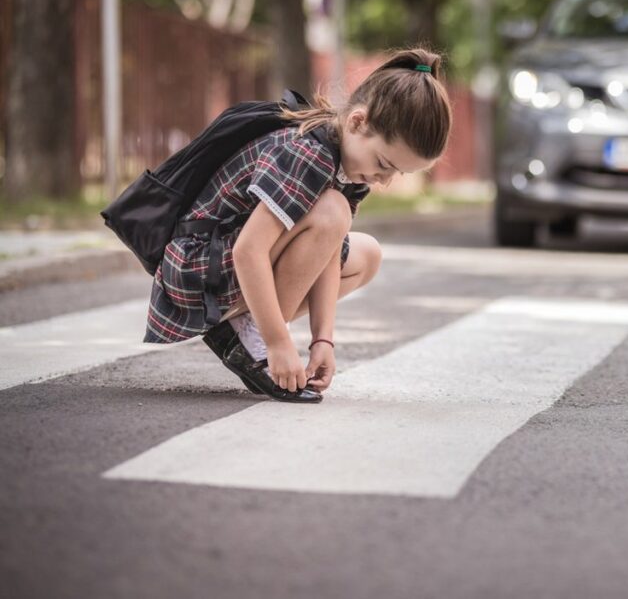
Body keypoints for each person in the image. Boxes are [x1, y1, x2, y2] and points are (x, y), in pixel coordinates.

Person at [142, 47, 452, 403]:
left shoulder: (348, 165)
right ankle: (254, 333)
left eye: (397, 172)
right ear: (357, 122)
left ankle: (248, 326)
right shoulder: (309, 153)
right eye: (384, 163)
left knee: (367, 254)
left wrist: (323, 340)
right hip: (197, 268)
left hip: (223, 265)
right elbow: (249, 250)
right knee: (334, 211)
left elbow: (328, 252)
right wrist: (278, 343)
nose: (384, 180)